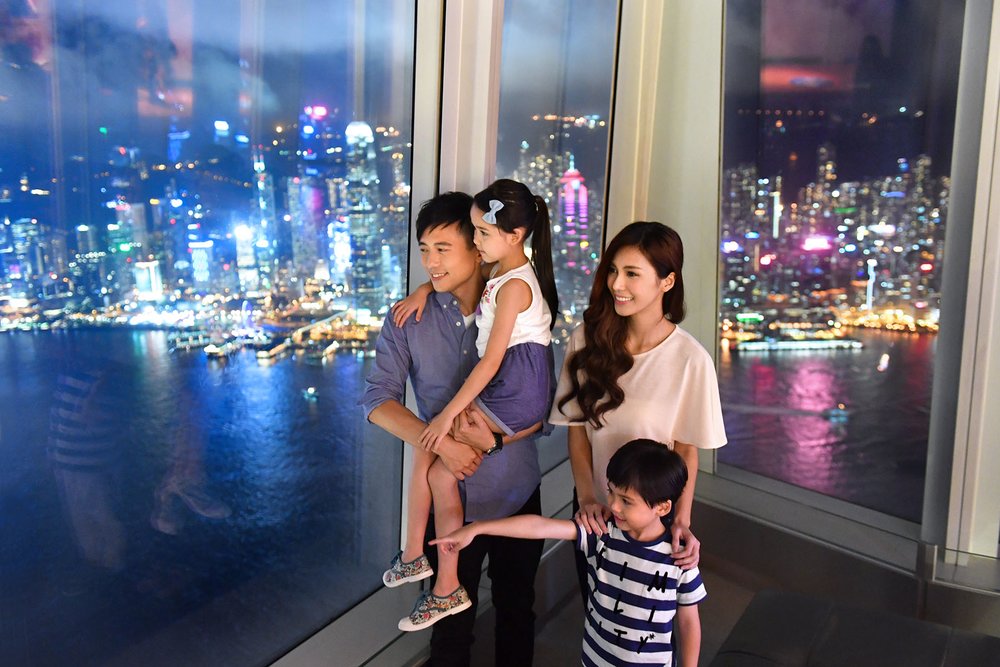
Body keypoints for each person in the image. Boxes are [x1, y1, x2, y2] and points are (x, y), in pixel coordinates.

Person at [362, 190, 549, 665]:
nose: (429, 262)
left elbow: (541, 405)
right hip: (451, 504)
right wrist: (441, 446)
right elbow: (377, 400)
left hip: (514, 491)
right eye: (424, 249)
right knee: (449, 634)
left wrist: (498, 439)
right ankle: (414, 557)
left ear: (478, 245)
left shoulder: (514, 298)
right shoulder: (408, 318)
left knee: (516, 613)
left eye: (442, 248)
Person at [550, 221, 727, 577]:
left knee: (649, 625)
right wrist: (586, 499)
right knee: (596, 612)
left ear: (667, 281)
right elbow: (577, 429)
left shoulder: (691, 360)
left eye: (632, 273)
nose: (617, 284)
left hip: (651, 520)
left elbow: (686, 450)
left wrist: (681, 519)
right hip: (595, 513)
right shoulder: (586, 340)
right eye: (613, 271)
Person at [431, 439, 706, 666]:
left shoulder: (680, 558)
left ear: (662, 507)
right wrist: (477, 528)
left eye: (626, 501)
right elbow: (540, 527)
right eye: (611, 493)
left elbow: (688, 621)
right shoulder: (603, 533)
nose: (613, 506)